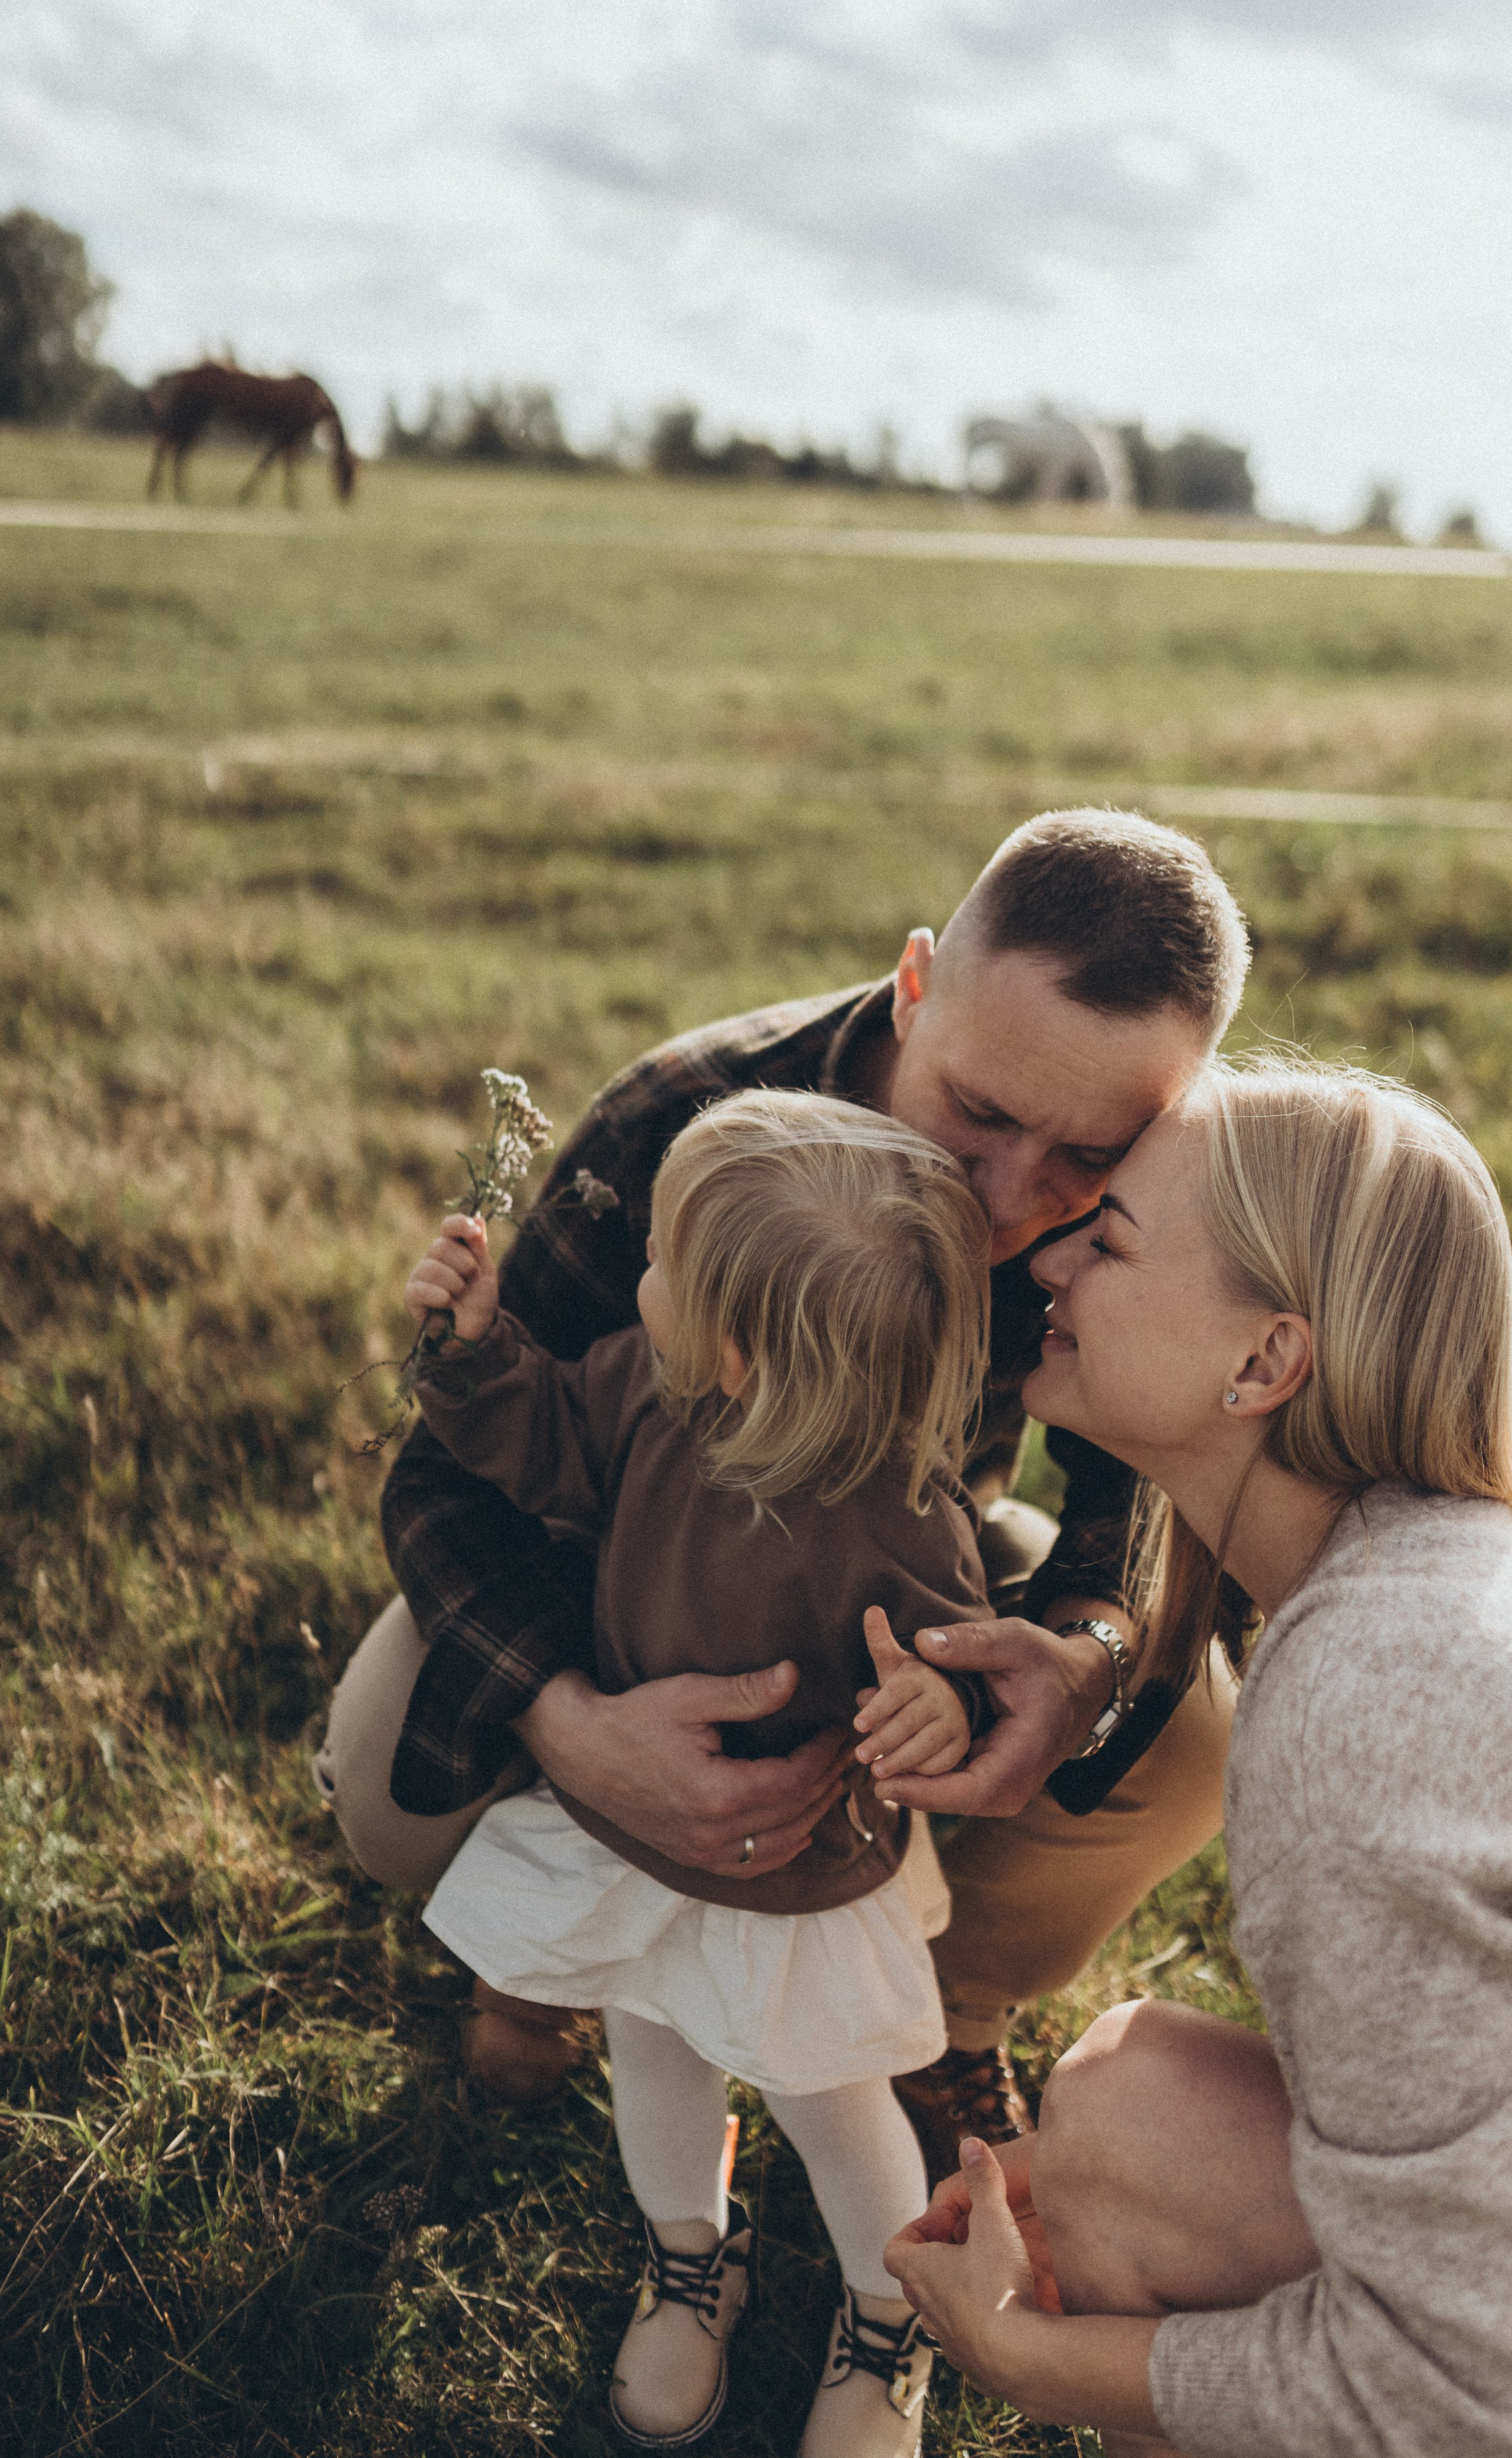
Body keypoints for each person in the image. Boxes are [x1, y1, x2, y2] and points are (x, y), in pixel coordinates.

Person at [315, 809, 1251, 2172]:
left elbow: (1144, 1499)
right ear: (915, 983)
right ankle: (563, 1947)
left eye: (1081, 1161)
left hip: (897, 1584)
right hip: (627, 1562)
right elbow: (451, 1471)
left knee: (1185, 1737)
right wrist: (570, 1720)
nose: (1003, 1202)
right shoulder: (686, 1121)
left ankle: (943, 2010)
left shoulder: (1166, 1188)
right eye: (976, 1114)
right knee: (394, 1790)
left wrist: (1077, 1660)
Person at [885, 1057, 1512, 2457]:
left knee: (1128, 2139)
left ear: (1261, 1363)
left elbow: (1456, 2391)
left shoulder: (1364, 1711)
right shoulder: (1425, 1579)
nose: (1043, 1255)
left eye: (1105, 1240)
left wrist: (1024, 2355)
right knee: (1118, 2116)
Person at [404, 1091, 995, 2455]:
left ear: (739, 1343)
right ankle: (689, 2257)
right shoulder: (647, 1391)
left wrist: (937, 1709)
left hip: (797, 1874)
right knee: (653, 2049)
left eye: (664, 1260)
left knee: (828, 2101)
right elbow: (539, 1436)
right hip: (640, 1836)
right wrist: (477, 1348)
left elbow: (954, 1658)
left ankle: (885, 2308)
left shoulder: (900, 1512)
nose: (640, 1279)